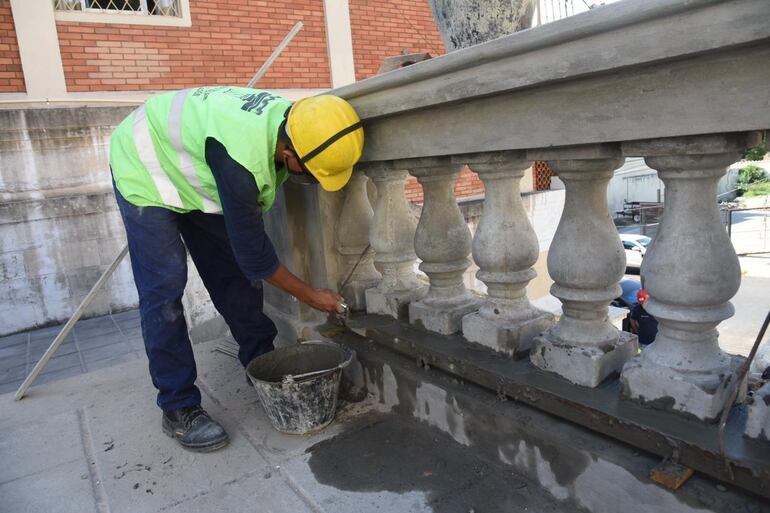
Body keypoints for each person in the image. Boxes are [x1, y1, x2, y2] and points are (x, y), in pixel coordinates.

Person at [109, 87, 364, 452]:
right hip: (144, 164)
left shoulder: (297, 122)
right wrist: (313, 296)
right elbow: (258, 261)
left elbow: (245, 260)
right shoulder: (239, 162)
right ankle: (178, 406)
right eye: (308, 170)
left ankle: (260, 362)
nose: (310, 178)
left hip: (194, 169)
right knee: (163, 291)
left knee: (231, 275)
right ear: (288, 151)